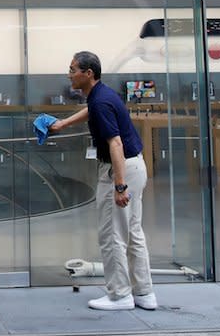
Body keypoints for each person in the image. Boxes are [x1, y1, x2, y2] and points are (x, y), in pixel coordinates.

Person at [48, 50, 157, 311]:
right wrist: (63, 124)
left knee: (113, 236)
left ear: (88, 74)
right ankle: (144, 293)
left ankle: (120, 295)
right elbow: (90, 112)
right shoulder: (102, 95)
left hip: (121, 170)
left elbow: (115, 143)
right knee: (133, 233)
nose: (69, 74)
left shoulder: (100, 101)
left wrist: (119, 187)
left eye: (73, 69)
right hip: (135, 166)